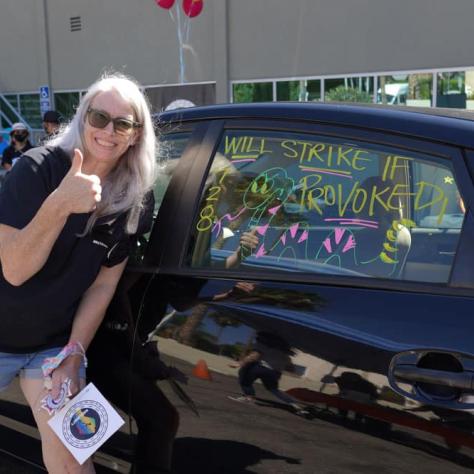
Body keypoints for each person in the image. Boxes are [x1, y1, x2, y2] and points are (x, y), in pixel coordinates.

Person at [0, 72, 157, 474]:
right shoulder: (36, 169)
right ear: (82, 118)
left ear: (136, 134)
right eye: (99, 117)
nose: (108, 131)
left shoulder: (135, 197)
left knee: (74, 457)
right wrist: (61, 204)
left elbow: (104, 284)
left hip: (53, 348)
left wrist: (73, 354)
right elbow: (15, 270)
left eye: (122, 123)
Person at [228, 331, 309, 416]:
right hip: (275, 373)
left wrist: (239, 363)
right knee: (273, 389)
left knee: (244, 377)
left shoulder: (263, 344)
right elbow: (290, 368)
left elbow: (254, 356)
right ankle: (296, 405)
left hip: (261, 368)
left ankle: (248, 397)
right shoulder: (284, 354)